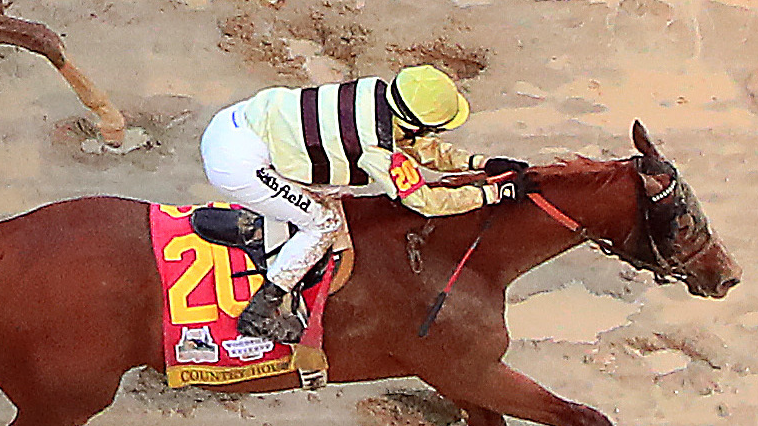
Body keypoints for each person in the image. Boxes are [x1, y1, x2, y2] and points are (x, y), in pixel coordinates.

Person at [200, 63, 530, 343]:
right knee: (323, 223)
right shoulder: (375, 148)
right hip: (237, 162)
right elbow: (424, 201)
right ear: (415, 120)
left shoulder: (375, 96)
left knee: (326, 190)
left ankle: (252, 227)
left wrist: (480, 163)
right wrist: (490, 194)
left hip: (233, 123)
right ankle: (261, 311)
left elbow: (415, 145)